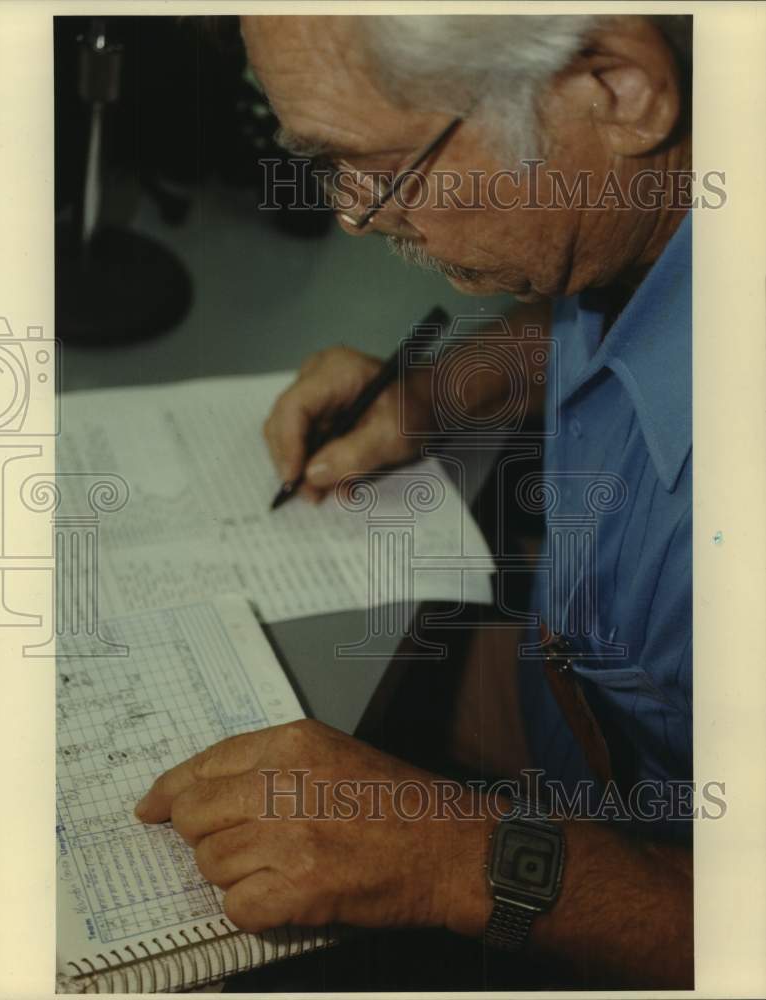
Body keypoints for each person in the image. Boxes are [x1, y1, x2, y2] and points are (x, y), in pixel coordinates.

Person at [135, 14, 695, 988]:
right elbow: (608, 288)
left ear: (614, 86)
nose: (356, 219)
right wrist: (439, 392)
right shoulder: (644, 211)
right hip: (553, 704)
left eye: (379, 167)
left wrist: (450, 857)